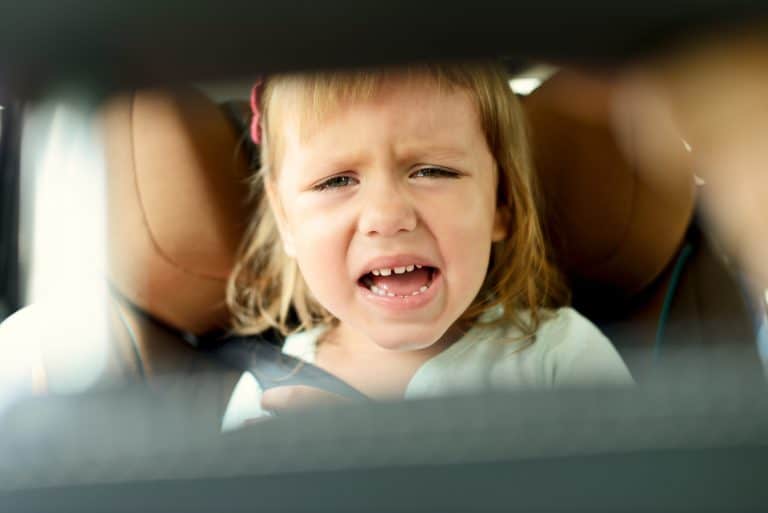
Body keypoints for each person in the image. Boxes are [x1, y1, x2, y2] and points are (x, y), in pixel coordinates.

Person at [223, 62, 636, 428]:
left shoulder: (561, 359)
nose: (387, 216)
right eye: (335, 181)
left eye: (433, 171)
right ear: (286, 222)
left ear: (501, 203)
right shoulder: (267, 393)